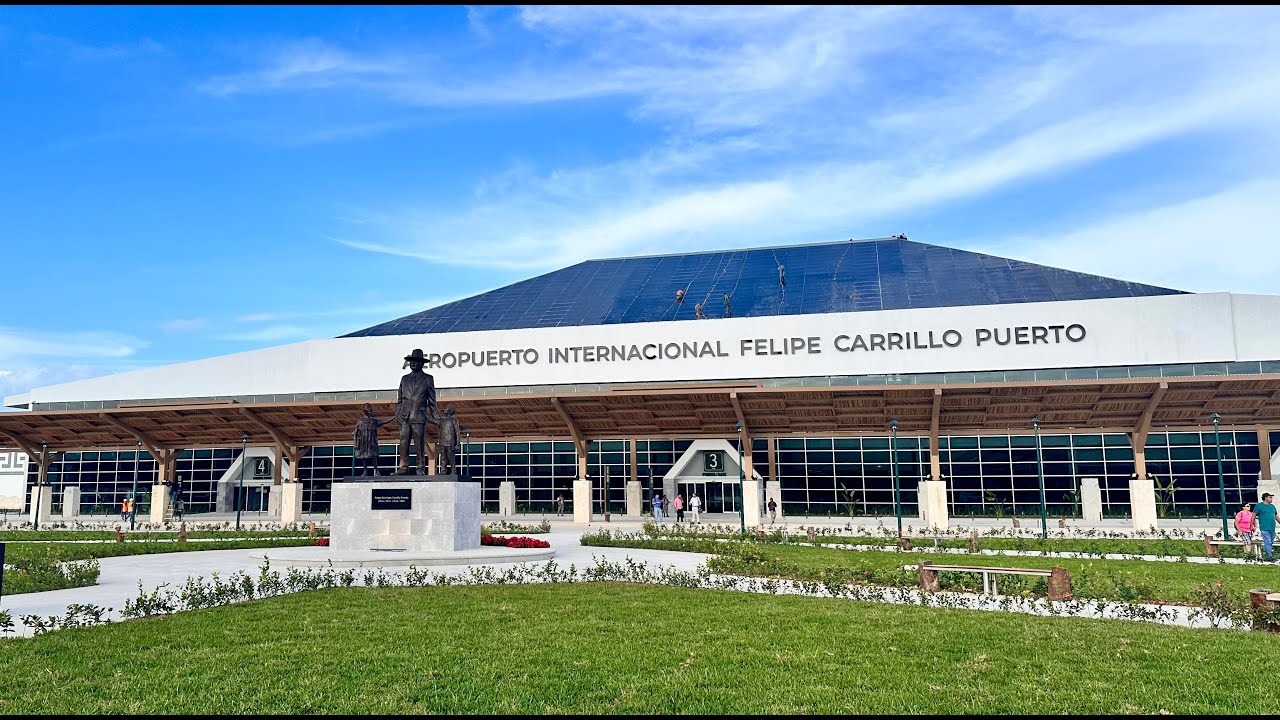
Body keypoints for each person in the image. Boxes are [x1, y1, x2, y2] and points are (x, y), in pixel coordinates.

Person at [396, 348, 437, 475]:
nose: (413, 363)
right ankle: (403, 467)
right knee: (403, 443)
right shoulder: (404, 379)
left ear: (422, 363)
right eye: (411, 361)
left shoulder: (428, 378)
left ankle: (420, 468)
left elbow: (432, 400)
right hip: (404, 417)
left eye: (416, 361)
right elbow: (399, 399)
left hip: (419, 416)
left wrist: (437, 418)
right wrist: (399, 414)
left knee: (419, 444)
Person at [353, 403, 392, 476]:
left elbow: (384, 421)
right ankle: (365, 471)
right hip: (363, 441)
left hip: (372, 441)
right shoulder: (360, 420)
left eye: (370, 408)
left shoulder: (374, 421)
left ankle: (376, 470)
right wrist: (355, 443)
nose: (369, 409)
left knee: (374, 456)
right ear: (364, 410)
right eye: (367, 408)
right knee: (364, 456)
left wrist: (394, 417)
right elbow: (355, 432)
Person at [1257, 493, 1277, 561]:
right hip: (1264, 527)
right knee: (1267, 540)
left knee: (1270, 541)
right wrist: (1252, 525)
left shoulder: (1272, 506)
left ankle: (1267, 554)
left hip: (1272, 527)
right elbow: (1253, 515)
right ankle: (1269, 556)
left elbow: (1276, 516)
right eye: (1270, 497)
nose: (1271, 499)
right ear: (1265, 498)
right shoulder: (1259, 506)